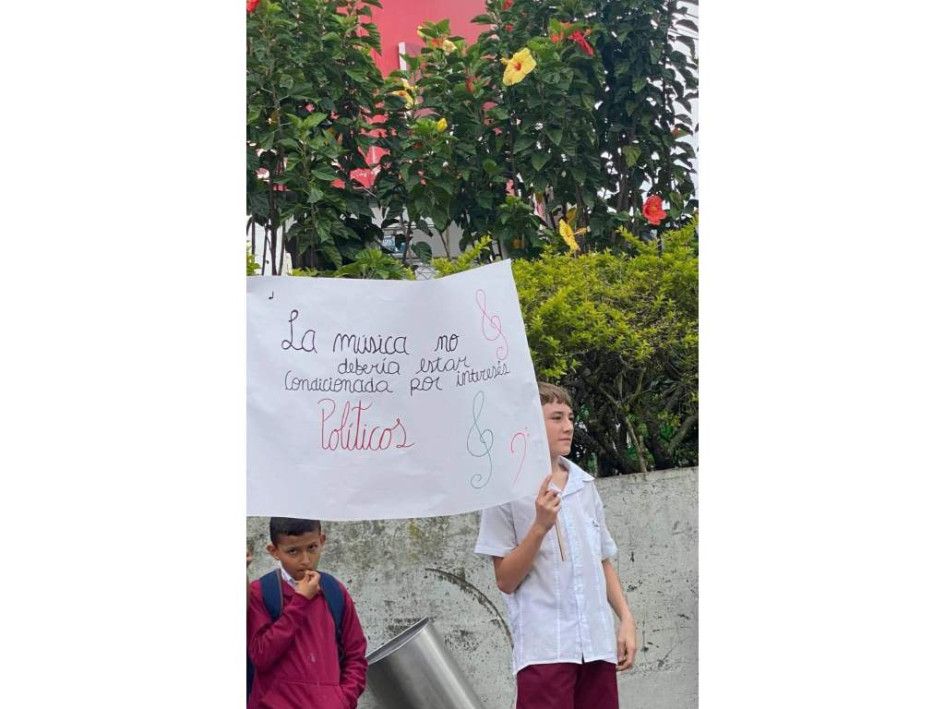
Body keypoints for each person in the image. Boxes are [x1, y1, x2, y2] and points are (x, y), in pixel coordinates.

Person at [475, 382, 638, 709]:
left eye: (570, 417)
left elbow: (602, 560)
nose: (568, 427)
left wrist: (626, 619)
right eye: (556, 418)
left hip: (596, 646)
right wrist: (539, 526)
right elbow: (506, 580)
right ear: (530, 423)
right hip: (545, 649)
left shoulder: (584, 485)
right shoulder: (506, 492)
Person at [248, 517, 367, 709]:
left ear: (322, 540)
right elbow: (261, 656)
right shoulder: (260, 592)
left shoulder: (334, 591)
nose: (305, 560)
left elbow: (356, 656)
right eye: (293, 551)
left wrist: (343, 699)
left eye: (312, 548)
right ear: (274, 551)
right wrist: (300, 602)